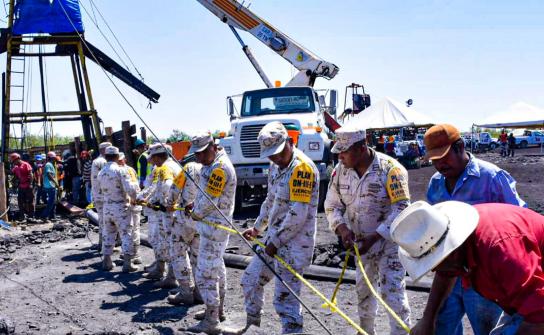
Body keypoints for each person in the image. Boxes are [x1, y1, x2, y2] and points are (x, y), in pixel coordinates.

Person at [414, 124, 527, 335]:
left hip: (485, 275)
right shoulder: (436, 184)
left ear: (460, 147)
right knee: (441, 327)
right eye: (435, 160)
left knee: (488, 328)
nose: (440, 164)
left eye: (444, 157)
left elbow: (519, 222)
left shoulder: (492, 177)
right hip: (449, 273)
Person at [391, 201, 544, 335]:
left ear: (451, 252)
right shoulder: (449, 242)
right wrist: (427, 320)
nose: (433, 270)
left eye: (435, 262)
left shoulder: (502, 251)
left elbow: (539, 316)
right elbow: (445, 273)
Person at [325, 124, 411, 334]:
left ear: (361, 147)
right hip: (360, 245)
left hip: (390, 245)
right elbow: (332, 205)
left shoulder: (391, 170)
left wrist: (375, 237)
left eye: (344, 151)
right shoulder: (340, 172)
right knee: (363, 292)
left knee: (393, 294)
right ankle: (365, 331)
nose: (340, 156)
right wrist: (343, 229)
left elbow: (402, 208)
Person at [240, 122, 319, 334]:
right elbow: (270, 200)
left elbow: (298, 214)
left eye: (278, 153)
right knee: (250, 280)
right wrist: (257, 229)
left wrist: (274, 242)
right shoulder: (275, 167)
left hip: (295, 245)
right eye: (270, 154)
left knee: (285, 300)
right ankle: (253, 327)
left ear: (290, 142)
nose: (274, 158)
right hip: (273, 240)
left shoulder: (301, 168)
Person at [185, 132, 236, 334]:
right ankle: (216, 311)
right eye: (196, 154)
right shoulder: (212, 164)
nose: (198, 158)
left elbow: (209, 200)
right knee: (217, 269)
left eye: (201, 153)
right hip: (212, 226)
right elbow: (205, 195)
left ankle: (211, 321)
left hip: (215, 227)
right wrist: (194, 204)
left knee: (205, 273)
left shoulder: (220, 168)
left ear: (213, 147)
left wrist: (195, 212)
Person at [96, 146, 139, 272]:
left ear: (105, 156)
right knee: (126, 234)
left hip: (107, 207)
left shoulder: (101, 172)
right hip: (121, 207)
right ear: (116, 157)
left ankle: (107, 261)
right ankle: (127, 263)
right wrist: (136, 196)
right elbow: (130, 189)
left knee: (108, 233)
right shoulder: (120, 171)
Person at [165, 161, 202, 306]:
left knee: (179, 254)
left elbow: (175, 188)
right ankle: (200, 293)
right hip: (202, 221)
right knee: (198, 257)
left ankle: (186, 292)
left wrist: (169, 204)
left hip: (184, 221)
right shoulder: (210, 169)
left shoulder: (188, 168)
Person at [146, 143, 182, 289]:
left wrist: (163, 202)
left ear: (157, 156)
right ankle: (170, 275)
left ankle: (172, 277)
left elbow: (167, 186)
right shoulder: (174, 165)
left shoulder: (165, 168)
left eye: (153, 158)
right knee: (172, 245)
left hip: (169, 213)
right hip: (175, 212)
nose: (152, 161)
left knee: (171, 245)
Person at [118, 152, 143, 265]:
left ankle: (135, 254)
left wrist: (133, 199)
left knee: (132, 229)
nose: (118, 162)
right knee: (132, 229)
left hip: (131, 203)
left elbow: (132, 188)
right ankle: (133, 254)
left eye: (120, 160)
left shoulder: (124, 171)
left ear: (124, 160)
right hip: (133, 202)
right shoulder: (129, 170)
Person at [91, 142, 112, 250]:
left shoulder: (96, 161)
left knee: (102, 220)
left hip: (98, 196)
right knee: (107, 221)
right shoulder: (104, 162)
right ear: (104, 150)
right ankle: (105, 245)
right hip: (105, 196)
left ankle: (102, 243)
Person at [10, 153, 35, 222]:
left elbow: (31, 174)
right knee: (20, 201)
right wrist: (13, 182)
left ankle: (31, 216)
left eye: (14, 161)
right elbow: (13, 174)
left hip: (28, 185)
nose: (14, 163)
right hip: (21, 186)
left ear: (18, 159)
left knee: (30, 201)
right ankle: (22, 216)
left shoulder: (26, 164)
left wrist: (30, 184)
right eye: (13, 162)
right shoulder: (16, 167)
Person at [40, 152, 59, 222]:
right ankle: (44, 216)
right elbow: (49, 174)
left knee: (53, 201)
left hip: (50, 185)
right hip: (50, 186)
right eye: (54, 158)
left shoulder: (51, 164)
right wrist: (55, 182)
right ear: (51, 158)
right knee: (51, 202)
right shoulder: (48, 164)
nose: (55, 159)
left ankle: (52, 216)